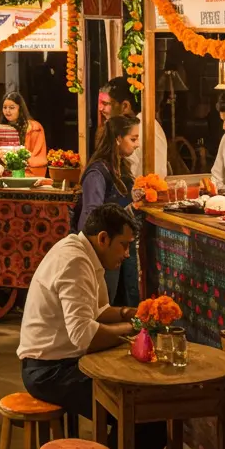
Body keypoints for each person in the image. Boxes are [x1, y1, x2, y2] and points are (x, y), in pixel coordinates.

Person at [18, 204, 164, 449]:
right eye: (123, 245)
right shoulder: (74, 261)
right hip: (47, 370)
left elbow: (97, 311)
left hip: (63, 361)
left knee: (146, 410)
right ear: (103, 238)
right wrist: (135, 329)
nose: (126, 254)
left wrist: (131, 314)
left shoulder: (85, 253)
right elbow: (84, 335)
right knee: (146, 416)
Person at [74, 116, 141, 306]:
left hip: (117, 246)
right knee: (103, 305)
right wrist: (130, 209)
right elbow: (93, 217)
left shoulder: (121, 167)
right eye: (133, 139)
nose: (137, 145)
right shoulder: (98, 172)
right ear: (118, 138)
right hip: (103, 250)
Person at [98, 77, 168, 181]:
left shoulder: (141, 128)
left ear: (125, 106)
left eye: (105, 103)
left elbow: (129, 175)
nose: (100, 108)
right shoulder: (134, 124)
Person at [0, 90, 48, 175]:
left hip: (27, 172)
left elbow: (37, 157)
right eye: (5, 107)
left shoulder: (34, 128)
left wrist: (16, 153)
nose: (7, 111)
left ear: (20, 109)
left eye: (11, 108)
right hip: (3, 172)